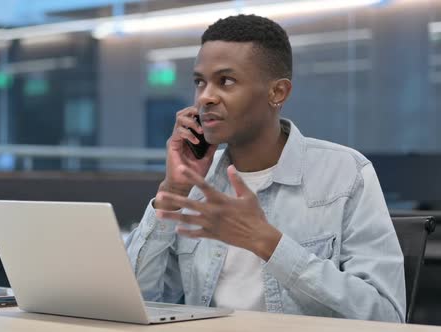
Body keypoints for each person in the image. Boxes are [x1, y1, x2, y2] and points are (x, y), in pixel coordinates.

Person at [125, 14, 405, 322]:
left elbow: (386, 316)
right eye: (199, 82)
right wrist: (173, 193)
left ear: (278, 93)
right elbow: (136, 303)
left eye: (226, 81)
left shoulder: (346, 174)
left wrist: (269, 243)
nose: (205, 97)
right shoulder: (197, 184)